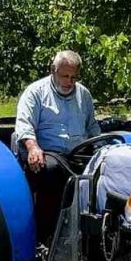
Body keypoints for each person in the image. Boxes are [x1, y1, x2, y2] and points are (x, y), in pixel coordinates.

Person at [14, 50, 101, 239]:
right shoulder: (35, 92)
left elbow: (92, 126)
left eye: (73, 77)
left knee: (106, 171)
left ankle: (92, 233)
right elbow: (24, 124)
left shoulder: (83, 95)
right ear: (53, 70)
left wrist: (103, 148)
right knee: (52, 171)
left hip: (77, 152)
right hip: (46, 152)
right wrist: (33, 147)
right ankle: (49, 237)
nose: (69, 82)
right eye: (65, 76)